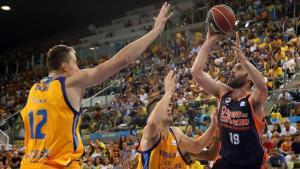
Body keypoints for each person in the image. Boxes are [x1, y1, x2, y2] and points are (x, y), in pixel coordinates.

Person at [20, 3, 173, 169]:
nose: (78, 68)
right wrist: (155, 31)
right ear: (65, 66)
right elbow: (122, 60)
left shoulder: (34, 90)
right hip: (56, 164)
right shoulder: (70, 82)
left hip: (29, 164)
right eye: (75, 63)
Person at [191, 31, 268, 169]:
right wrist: (209, 41)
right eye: (233, 67)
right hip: (226, 161)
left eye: (238, 69)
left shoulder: (253, 100)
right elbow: (196, 72)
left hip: (251, 164)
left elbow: (262, 87)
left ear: (249, 77)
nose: (233, 70)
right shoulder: (223, 91)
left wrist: (243, 60)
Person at [137, 70, 219, 169]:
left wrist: (213, 125)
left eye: (169, 106)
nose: (169, 108)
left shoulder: (175, 132)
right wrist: (169, 92)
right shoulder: (150, 133)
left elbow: (197, 146)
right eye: (165, 107)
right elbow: (153, 123)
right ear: (154, 113)